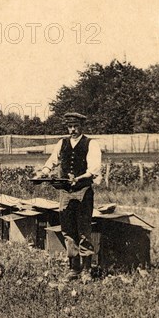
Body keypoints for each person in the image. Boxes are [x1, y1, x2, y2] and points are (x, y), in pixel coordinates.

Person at [35, 112, 102, 283]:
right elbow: (52, 161)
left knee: (84, 229)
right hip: (65, 192)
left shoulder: (91, 144)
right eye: (70, 126)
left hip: (82, 191)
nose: (72, 130)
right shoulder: (62, 143)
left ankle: (87, 270)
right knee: (68, 229)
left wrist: (78, 179)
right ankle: (74, 268)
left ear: (81, 127)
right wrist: (43, 174)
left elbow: (93, 169)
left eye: (76, 126)